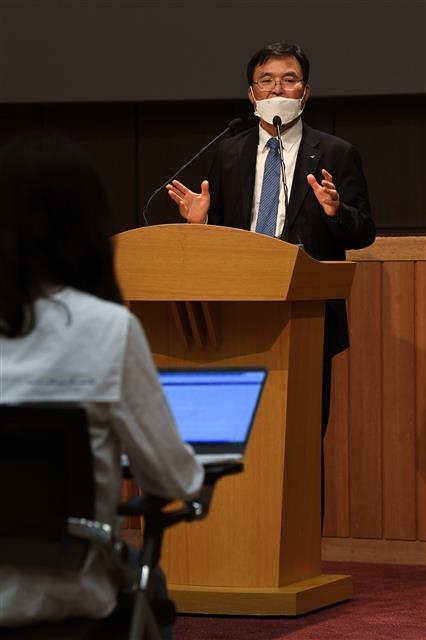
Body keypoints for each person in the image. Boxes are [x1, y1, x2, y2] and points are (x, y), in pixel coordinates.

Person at [0, 132, 204, 635]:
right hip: (63, 602)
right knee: (148, 585)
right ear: (87, 224)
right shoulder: (105, 330)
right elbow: (175, 481)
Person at [166, 41, 376, 439]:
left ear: (306, 92)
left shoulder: (336, 153)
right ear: (251, 94)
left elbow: (364, 231)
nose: (277, 89)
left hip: (307, 316)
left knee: (302, 436)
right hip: (236, 313)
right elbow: (223, 238)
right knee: (241, 438)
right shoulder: (229, 154)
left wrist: (337, 212)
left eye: (289, 80)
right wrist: (203, 221)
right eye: (266, 81)